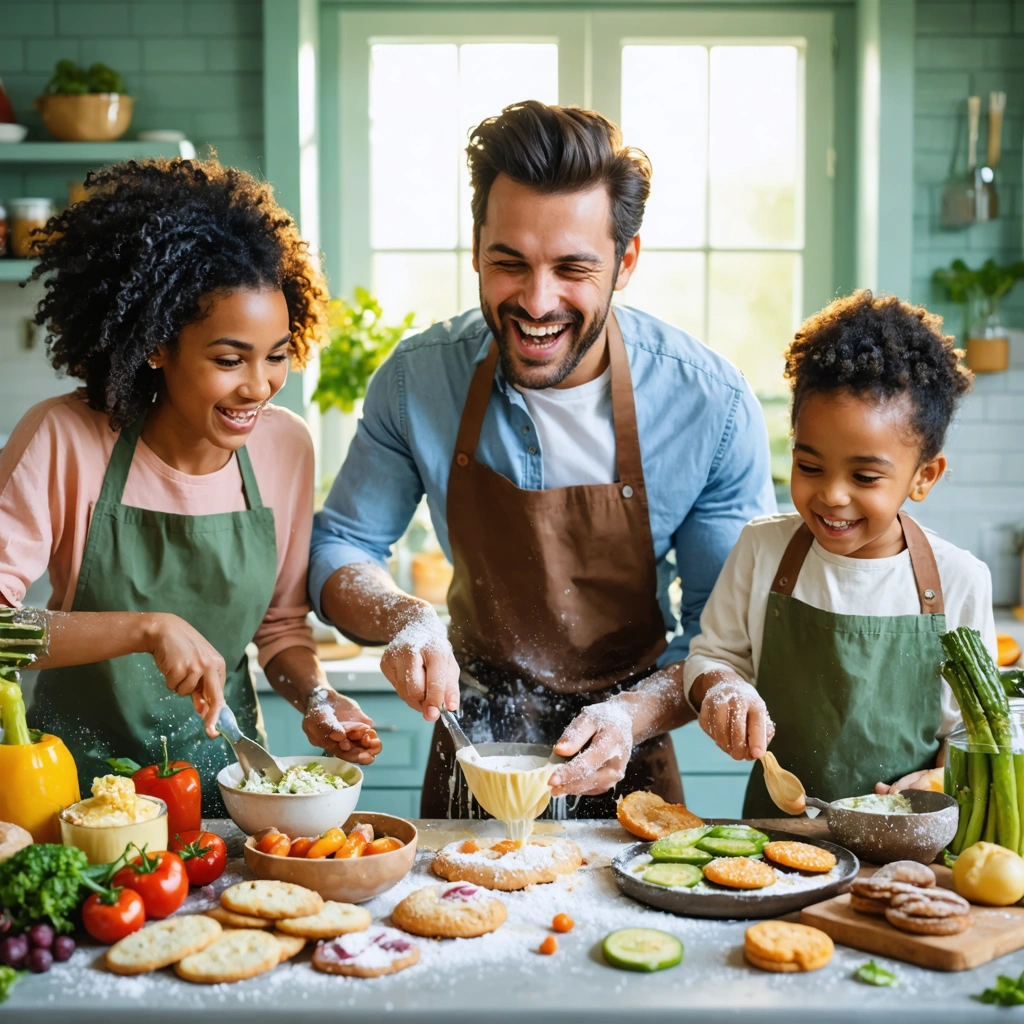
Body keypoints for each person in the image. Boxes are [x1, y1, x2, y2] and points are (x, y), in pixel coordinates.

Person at [310, 100, 776, 818]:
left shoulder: (709, 405)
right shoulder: (418, 380)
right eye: (510, 263)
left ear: (626, 261)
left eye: (572, 268)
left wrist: (633, 714)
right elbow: (341, 543)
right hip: (476, 750)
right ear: (475, 248)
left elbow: (723, 637)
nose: (536, 301)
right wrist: (406, 616)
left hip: (631, 757)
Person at [0, 157, 381, 812]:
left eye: (278, 356)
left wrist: (316, 698)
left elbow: (282, 628)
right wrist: (144, 628)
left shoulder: (284, 447)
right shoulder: (64, 438)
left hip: (222, 796)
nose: (257, 387)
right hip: (73, 800)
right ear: (157, 344)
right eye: (229, 359)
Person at [684, 290, 996, 816]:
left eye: (865, 476)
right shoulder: (763, 550)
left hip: (903, 844)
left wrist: (942, 775)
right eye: (810, 467)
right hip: (776, 839)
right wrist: (720, 690)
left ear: (924, 476)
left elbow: (975, 728)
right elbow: (711, 656)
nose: (832, 494)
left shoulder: (959, 580)